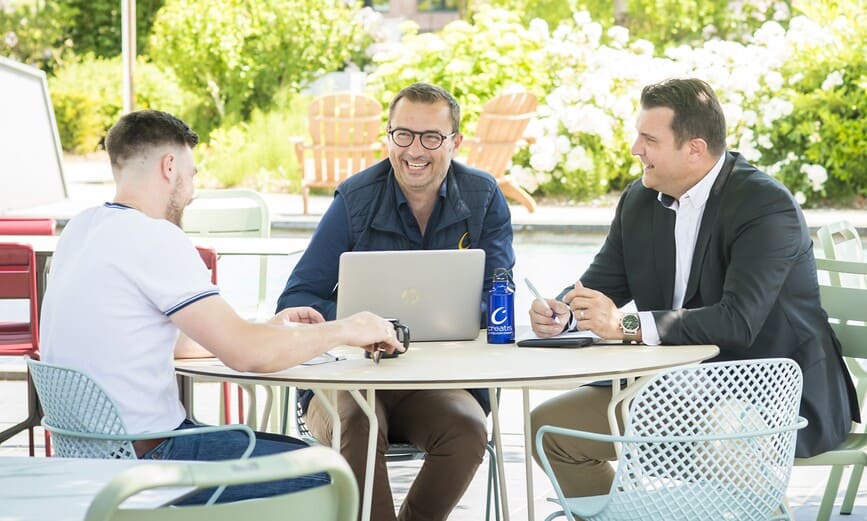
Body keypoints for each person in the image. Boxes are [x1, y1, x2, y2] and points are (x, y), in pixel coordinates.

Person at [39, 109, 403, 505]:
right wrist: (349, 328)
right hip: (151, 462)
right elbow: (247, 355)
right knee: (328, 474)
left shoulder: (81, 229)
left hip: (94, 455)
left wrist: (269, 330)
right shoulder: (155, 237)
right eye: (192, 174)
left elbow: (174, 343)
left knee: (290, 452)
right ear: (169, 165)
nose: (193, 190)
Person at [528, 78, 860, 498]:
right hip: (673, 387)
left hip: (768, 393)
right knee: (550, 428)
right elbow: (600, 284)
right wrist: (564, 313)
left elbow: (737, 323)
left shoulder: (764, 206)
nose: (635, 149)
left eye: (649, 139)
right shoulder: (639, 200)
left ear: (695, 149)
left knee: (721, 435)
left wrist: (624, 324)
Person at [276, 82, 515, 520]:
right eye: (402, 134)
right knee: (360, 426)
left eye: (431, 137)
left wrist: (465, 312)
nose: (414, 150)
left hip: (437, 382)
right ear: (388, 136)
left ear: (455, 142)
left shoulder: (483, 196)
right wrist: (357, 326)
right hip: (349, 378)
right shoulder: (355, 197)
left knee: (467, 429)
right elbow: (298, 297)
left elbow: (499, 290)